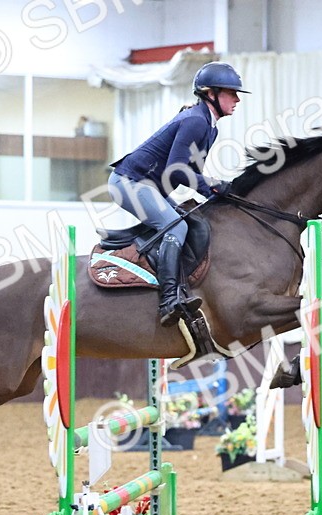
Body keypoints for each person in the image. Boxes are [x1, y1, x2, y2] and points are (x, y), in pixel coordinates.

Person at [108, 61, 246, 326]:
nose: (237, 99)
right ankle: (169, 300)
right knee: (177, 227)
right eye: (231, 92)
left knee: (188, 221)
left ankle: (175, 285)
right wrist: (212, 185)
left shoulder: (209, 126)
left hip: (147, 185)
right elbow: (177, 170)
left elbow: (191, 173)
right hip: (129, 182)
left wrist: (217, 192)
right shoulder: (196, 121)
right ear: (211, 94)